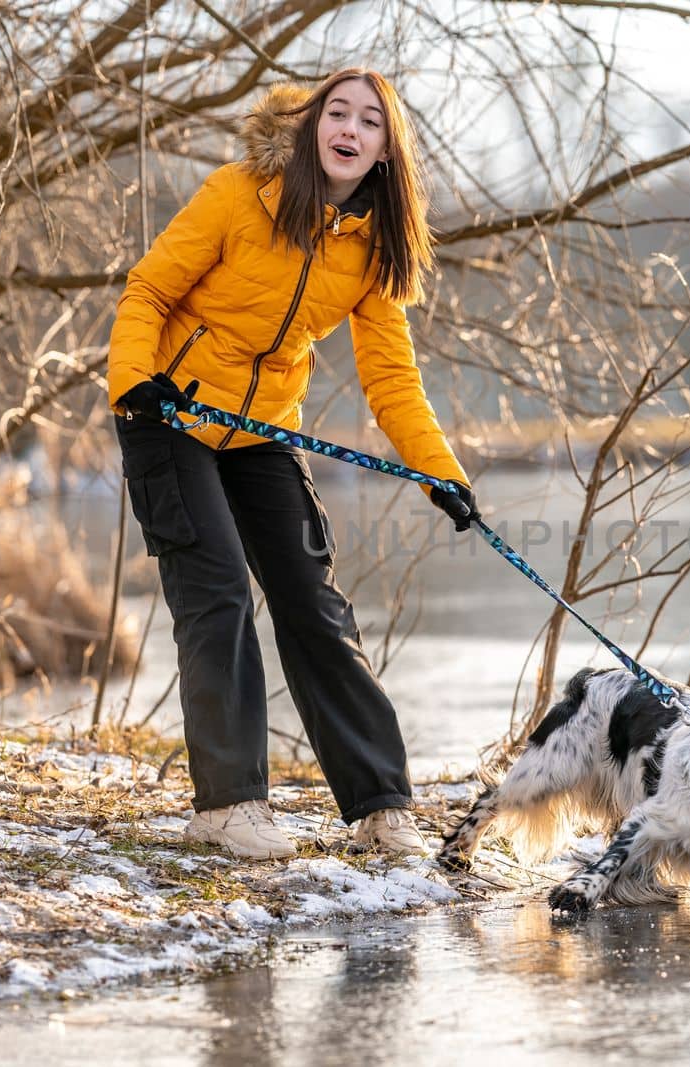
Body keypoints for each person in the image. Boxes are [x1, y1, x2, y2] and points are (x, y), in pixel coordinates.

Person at [106, 69, 476, 861]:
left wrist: (440, 470)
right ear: (312, 128)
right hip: (166, 409)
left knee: (314, 601)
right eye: (335, 112)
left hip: (261, 428)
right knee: (219, 593)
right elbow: (147, 291)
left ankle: (382, 809)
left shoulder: (373, 246)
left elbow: (391, 378)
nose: (349, 127)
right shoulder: (241, 192)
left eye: (368, 121)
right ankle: (228, 806)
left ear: (384, 150)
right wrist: (135, 380)